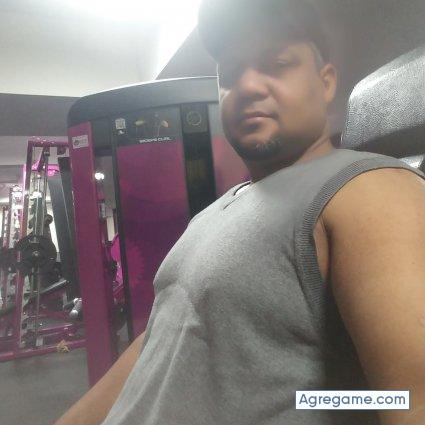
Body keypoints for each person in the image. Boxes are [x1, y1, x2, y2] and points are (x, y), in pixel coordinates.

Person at [55, 1, 425, 424]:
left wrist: (316, 401)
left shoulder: (367, 189)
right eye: (230, 74)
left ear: (325, 83)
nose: (247, 85)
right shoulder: (213, 213)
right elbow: (156, 344)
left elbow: (410, 400)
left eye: (277, 64)